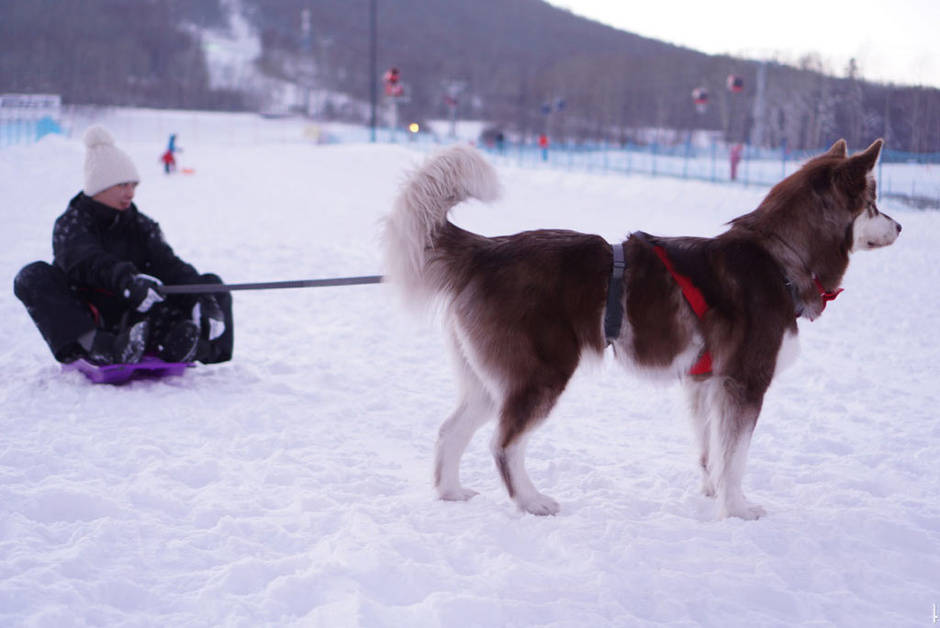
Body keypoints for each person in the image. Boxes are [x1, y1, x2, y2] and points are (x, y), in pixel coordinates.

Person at [13, 125, 233, 366]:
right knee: (32, 276)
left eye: (133, 186)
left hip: (139, 315)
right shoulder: (71, 223)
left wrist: (201, 297)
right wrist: (128, 282)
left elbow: (169, 265)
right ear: (98, 186)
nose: (130, 193)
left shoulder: (142, 224)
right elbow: (86, 260)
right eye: (122, 185)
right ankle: (99, 347)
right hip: (93, 315)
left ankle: (192, 346)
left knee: (211, 285)